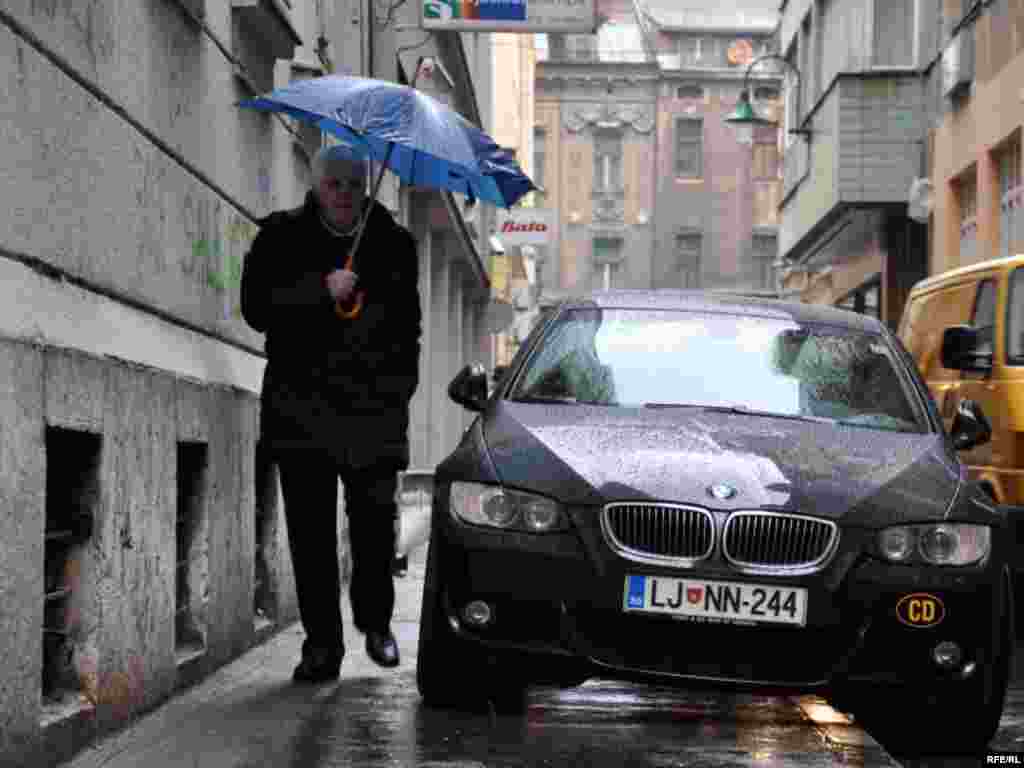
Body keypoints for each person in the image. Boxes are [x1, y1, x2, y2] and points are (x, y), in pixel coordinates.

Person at [241, 143, 422, 683]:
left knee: (372, 528)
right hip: (303, 411)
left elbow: (407, 331)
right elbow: (256, 308)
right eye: (333, 185)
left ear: (365, 187)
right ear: (316, 188)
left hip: (372, 411)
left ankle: (376, 624)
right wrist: (322, 292)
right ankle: (322, 645)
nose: (343, 194)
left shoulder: (393, 244)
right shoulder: (281, 236)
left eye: (352, 184)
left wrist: (398, 394)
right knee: (311, 535)